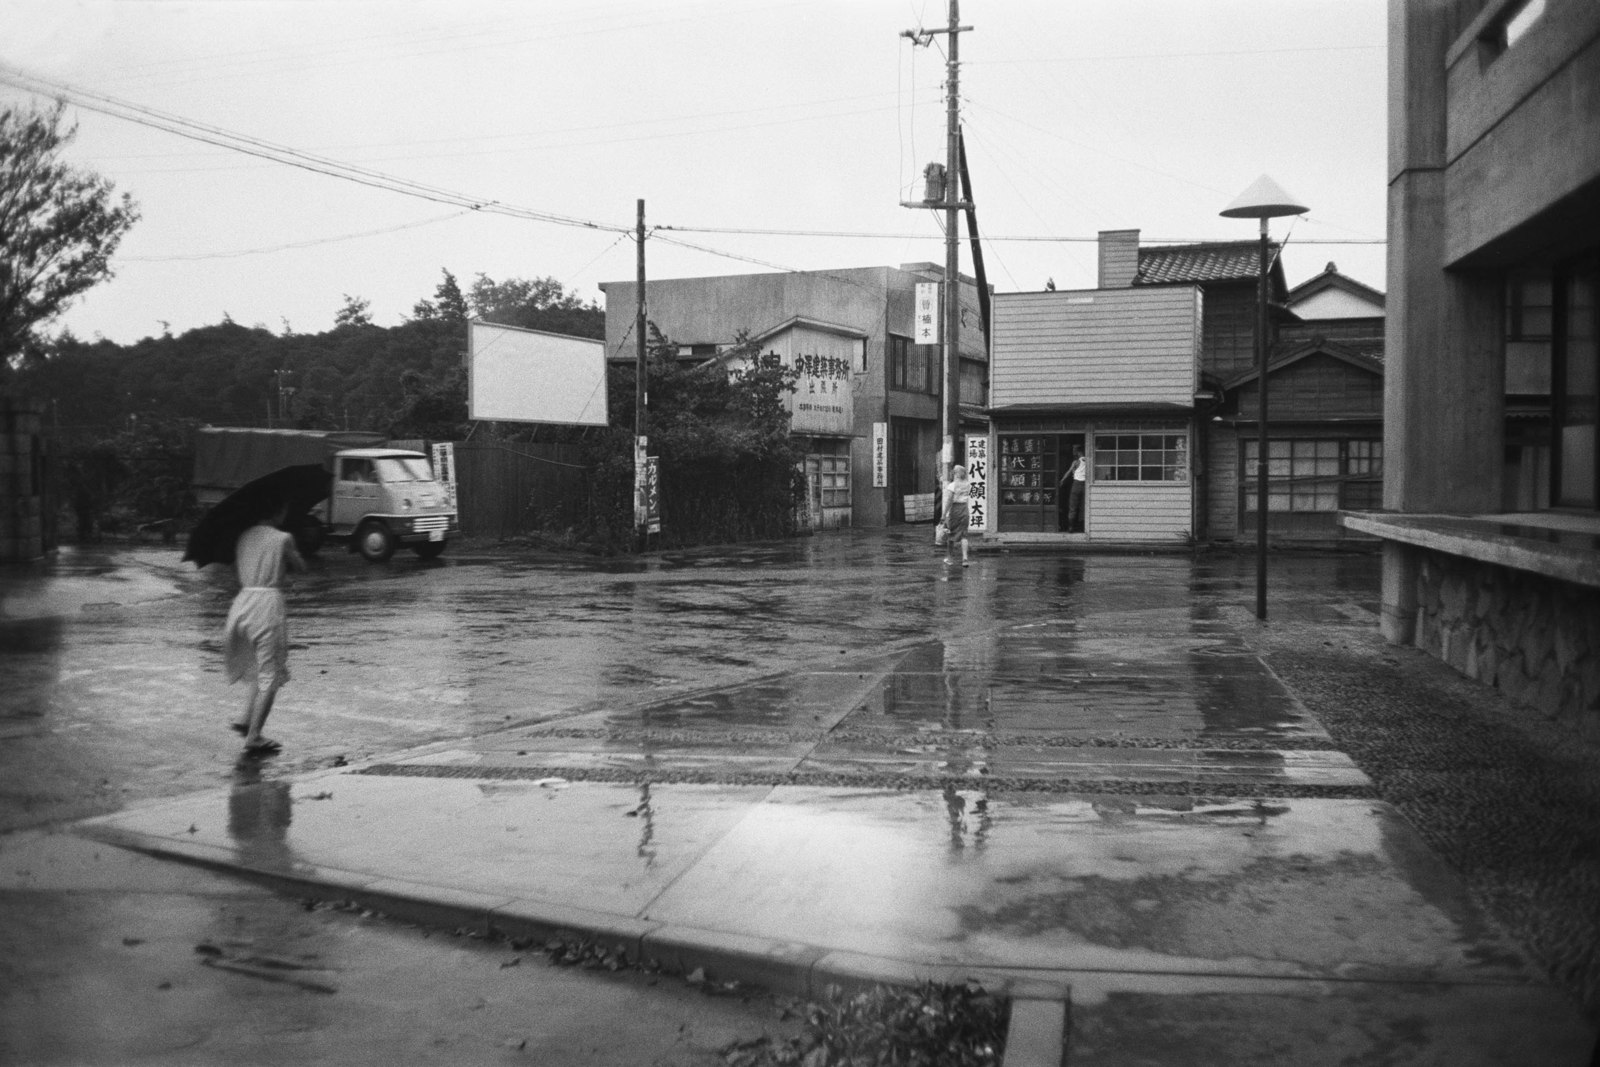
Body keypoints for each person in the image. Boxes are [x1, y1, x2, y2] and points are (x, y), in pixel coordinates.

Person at [223, 498, 306, 757]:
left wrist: (273, 578)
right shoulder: (283, 538)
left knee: (257, 665)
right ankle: (254, 736)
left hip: (242, 602)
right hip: (267, 607)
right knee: (270, 672)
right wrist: (290, 565)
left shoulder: (243, 537)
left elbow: (244, 573)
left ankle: (246, 717)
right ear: (278, 511)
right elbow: (301, 568)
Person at [942, 463, 972, 567]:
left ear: (956, 474)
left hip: (955, 510)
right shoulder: (968, 484)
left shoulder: (952, 485)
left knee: (951, 534)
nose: (953, 474)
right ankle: (965, 559)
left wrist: (943, 515)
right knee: (964, 535)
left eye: (954, 472)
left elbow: (949, 501)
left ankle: (950, 558)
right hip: (964, 509)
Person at [1059, 446, 1087, 533]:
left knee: (1072, 506)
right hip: (1085, 485)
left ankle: (1071, 527)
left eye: (1075, 451)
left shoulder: (1076, 462)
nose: (1074, 453)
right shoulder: (1089, 461)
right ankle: (1082, 527)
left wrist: (1062, 480)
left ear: (1079, 452)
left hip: (1076, 484)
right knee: (1083, 506)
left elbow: (1068, 472)